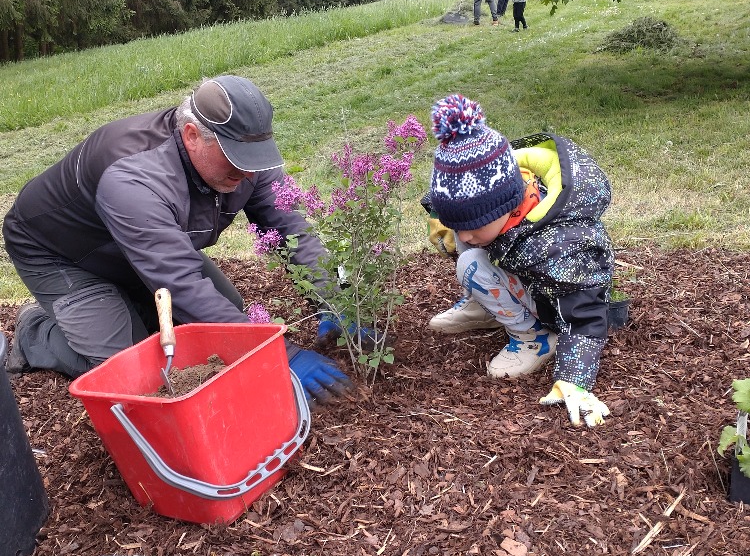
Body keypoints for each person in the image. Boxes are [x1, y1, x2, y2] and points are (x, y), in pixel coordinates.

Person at [2, 75, 351, 405]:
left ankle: (121, 305)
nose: (247, 173)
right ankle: (36, 333)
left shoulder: (246, 155)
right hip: (63, 253)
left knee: (227, 308)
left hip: (144, 243)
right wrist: (279, 354)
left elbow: (291, 228)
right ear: (192, 136)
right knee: (130, 365)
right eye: (235, 160)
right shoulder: (134, 178)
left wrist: (335, 301)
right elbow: (181, 285)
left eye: (254, 160)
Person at [425, 93, 614, 428]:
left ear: (506, 205)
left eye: (472, 225)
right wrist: (444, 218)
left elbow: (585, 313)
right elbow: (466, 210)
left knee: (471, 264)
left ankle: (534, 337)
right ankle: (485, 306)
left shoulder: (560, 246)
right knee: (470, 244)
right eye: (456, 223)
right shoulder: (504, 201)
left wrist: (574, 380)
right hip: (524, 266)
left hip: (554, 304)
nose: (463, 234)